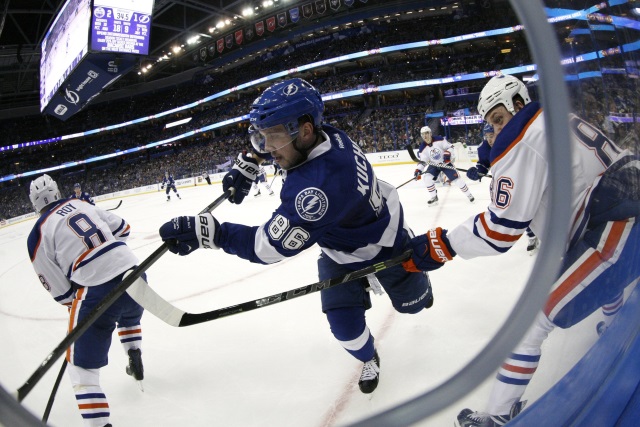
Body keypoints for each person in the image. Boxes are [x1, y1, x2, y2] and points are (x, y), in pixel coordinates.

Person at [158, 78, 433, 394]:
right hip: (338, 247)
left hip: (386, 242)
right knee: (345, 330)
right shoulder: (321, 134)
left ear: (304, 131)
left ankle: (416, 283)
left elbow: (266, 248)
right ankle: (370, 356)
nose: (267, 147)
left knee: (415, 304)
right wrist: (252, 161)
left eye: (271, 138)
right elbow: (286, 150)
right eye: (262, 138)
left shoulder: (316, 188)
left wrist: (210, 233)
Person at [401, 74, 640, 426]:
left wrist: (442, 245)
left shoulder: (525, 135)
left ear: (517, 104)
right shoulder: (557, 119)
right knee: (589, 270)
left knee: (530, 322)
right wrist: (493, 160)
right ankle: (612, 321)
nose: (497, 129)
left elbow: (500, 230)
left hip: (617, 228)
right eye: (491, 124)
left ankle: (496, 416)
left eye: (499, 119)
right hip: (619, 217)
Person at [27, 174, 146, 427]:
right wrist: (112, 261)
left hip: (95, 289)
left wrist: (76, 300)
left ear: (33, 202)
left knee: (82, 371)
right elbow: (123, 228)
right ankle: (134, 353)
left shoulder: (37, 234)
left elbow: (59, 289)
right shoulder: (82, 204)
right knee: (127, 313)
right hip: (134, 271)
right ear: (57, 192)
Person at [467, 123, 540, 254]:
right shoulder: (484, 148)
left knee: (535, 209)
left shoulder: (510, 142)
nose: (489, 139)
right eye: (487, 136)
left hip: (525, 179)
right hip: (506, 186)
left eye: (492, 135)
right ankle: (532, 236)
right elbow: (483, 165)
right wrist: (477, 173)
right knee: (520, 213)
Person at [413, 126, 475, 206]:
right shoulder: (422, 148)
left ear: (430, 133)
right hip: (434, 165)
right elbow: (423, 161)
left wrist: (447, 154)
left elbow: (450, 147)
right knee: (427, 178)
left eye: (427, 133)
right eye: (423, 134)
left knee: (457, 180)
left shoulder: (439, 139)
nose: (425, 136)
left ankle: (469, 194)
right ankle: (434, 197)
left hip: (445, 163)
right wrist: (418, 170)